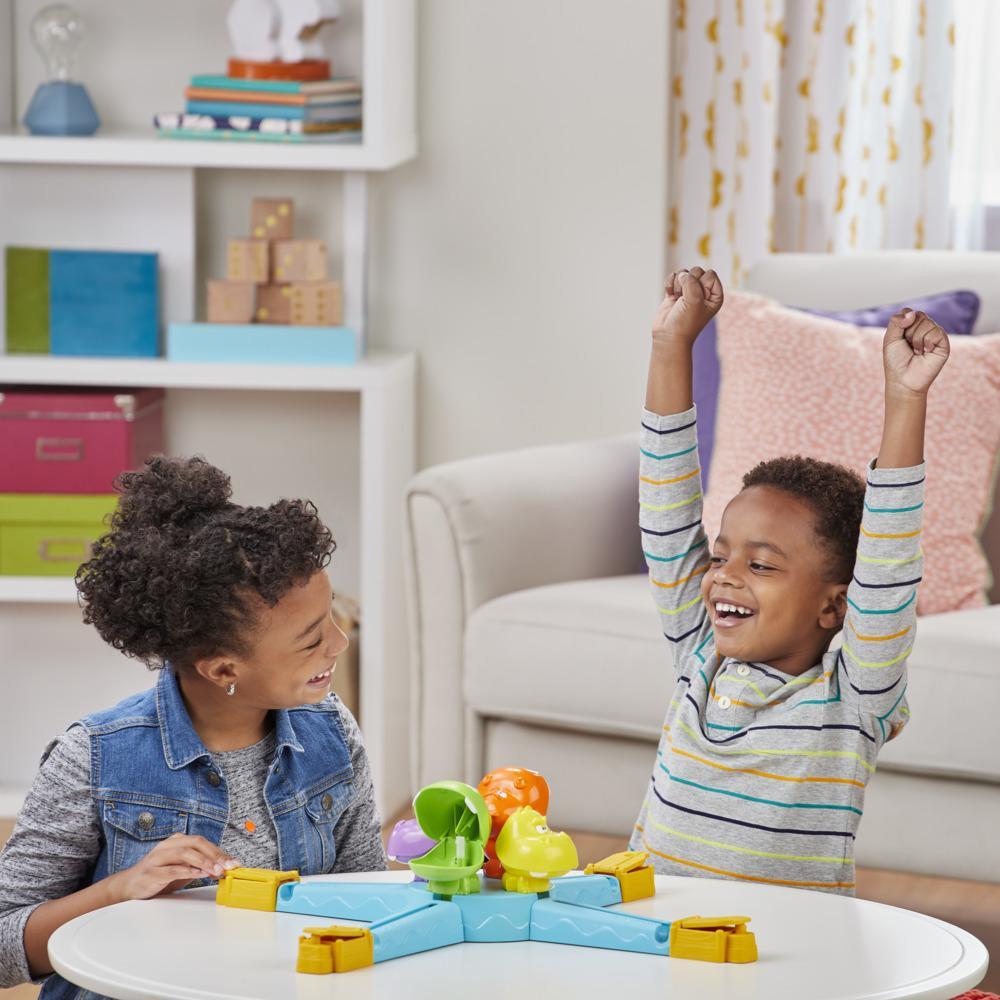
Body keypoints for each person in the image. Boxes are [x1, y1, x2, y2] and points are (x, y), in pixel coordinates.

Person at [0, 455, 386, 996]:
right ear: (223, 670)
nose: (340, 643)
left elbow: (365, 897)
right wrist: (120, 890)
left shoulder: (331, 732)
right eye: (311, 640)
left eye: (332, 619)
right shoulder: (94, 756)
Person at [630, 266, 949, 894]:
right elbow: (666, 520)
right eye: (721, 557)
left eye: (761, 565)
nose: (725, 577)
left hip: (791, 946)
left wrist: (906, 398)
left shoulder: (852, 698)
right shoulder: (701, 654)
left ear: (834, 606)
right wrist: (671, 344)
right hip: (658, 933)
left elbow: (886, 573)